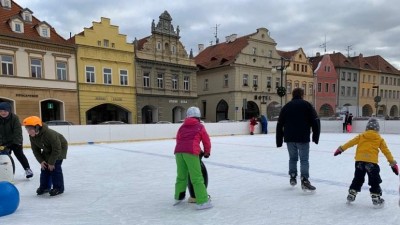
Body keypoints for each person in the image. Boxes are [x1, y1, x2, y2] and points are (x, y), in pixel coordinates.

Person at [334, 118, 398, 206]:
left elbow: (350, 143)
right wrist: (393, 164)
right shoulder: (379, 139)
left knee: (358, 178)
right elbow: (386, 151)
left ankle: (352, 193)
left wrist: (340, 149)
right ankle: (375, 197)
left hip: (359, 162)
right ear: (377, 129)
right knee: (374, 180)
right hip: (371, 163)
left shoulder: (361, 136)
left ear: (367, 128)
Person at [276, 88, 320, 191]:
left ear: (292, 95)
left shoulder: (286, 106)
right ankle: (304, 180)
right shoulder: (307, 105)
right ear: (302, 95)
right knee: (304, 160)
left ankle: (292, 176)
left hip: (289, 138)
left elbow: (279, 123)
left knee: (293, 158)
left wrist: (279, 140)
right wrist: (315, 136)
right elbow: (315, 121)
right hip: (302, 137)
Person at [174, 106, 212, 210]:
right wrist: (207, 152)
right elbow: (206, 140)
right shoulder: (200, 126)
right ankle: (203, 201)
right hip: (191, 152)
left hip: (178, 152)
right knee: (197, 177)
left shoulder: (182, 127)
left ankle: (178, 197)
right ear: (198, 117)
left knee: (181, 176)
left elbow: (179, 140)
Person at [22, 116, 68, 196]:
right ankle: (45, 187)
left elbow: (57, 149)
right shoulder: (32, 136)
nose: (28, 132)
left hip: (60, 147)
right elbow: (35, 150)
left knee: (54, 167)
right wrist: (41, 161)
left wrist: (51, 162)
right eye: (27, 129)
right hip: (47, 149)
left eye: (30, 129)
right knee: (44, 168)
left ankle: (58, 188)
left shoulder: (49, 134)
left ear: (37, 127)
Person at [0, 102, 33, 178]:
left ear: (9, 111)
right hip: (3, 142)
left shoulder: (14, 118)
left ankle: (27, 169)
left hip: (15, 141)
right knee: (5, 156)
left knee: (19, 154)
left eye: (5, 111)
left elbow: (17, 131)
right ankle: (9, 172)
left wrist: (16, 142)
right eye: (1, 111)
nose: (3, 113)